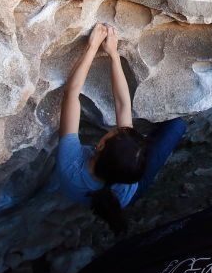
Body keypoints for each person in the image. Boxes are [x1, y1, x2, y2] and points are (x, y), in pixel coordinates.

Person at [56, 22, 186, 233]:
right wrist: (113, 55)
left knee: (175, 126)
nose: (120, 126)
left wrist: (92, 47)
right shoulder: (127, 175)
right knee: (177, 124)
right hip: (130, 189)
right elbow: (123, 105)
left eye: (116, 131)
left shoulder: (70, 163)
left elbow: (71, 94)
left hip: (118, 182)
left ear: (100, 144)